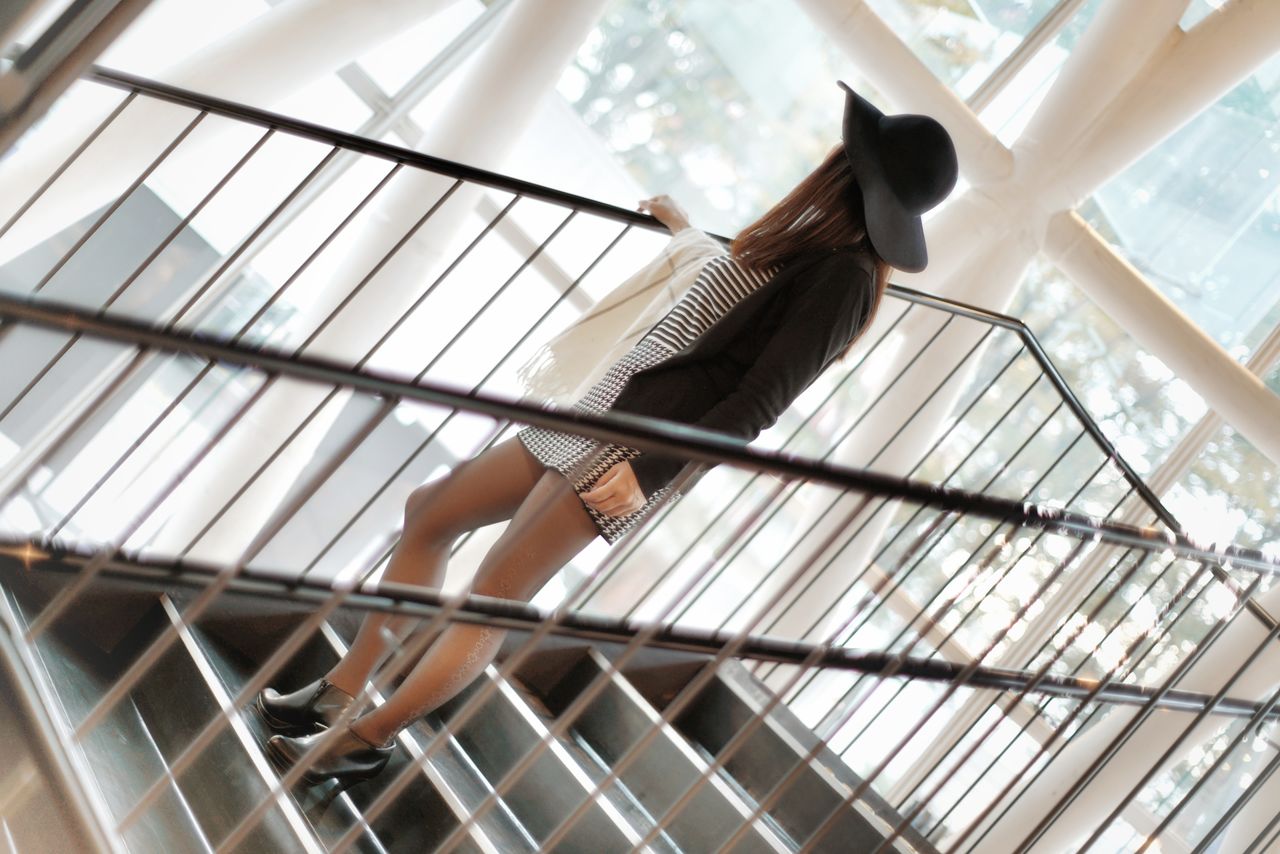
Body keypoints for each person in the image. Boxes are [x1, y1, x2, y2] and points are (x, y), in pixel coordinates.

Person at [258, 81, 958, 787]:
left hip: (636, 449)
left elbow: (758, 402)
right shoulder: (810, 249)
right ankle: (340, 692)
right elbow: (718, 303)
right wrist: (686, 232)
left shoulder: (843, 278)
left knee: (493, 596)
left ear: (857, 177)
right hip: (604, 413)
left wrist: (650, 471)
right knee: (431, 511)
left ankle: (366, 740)